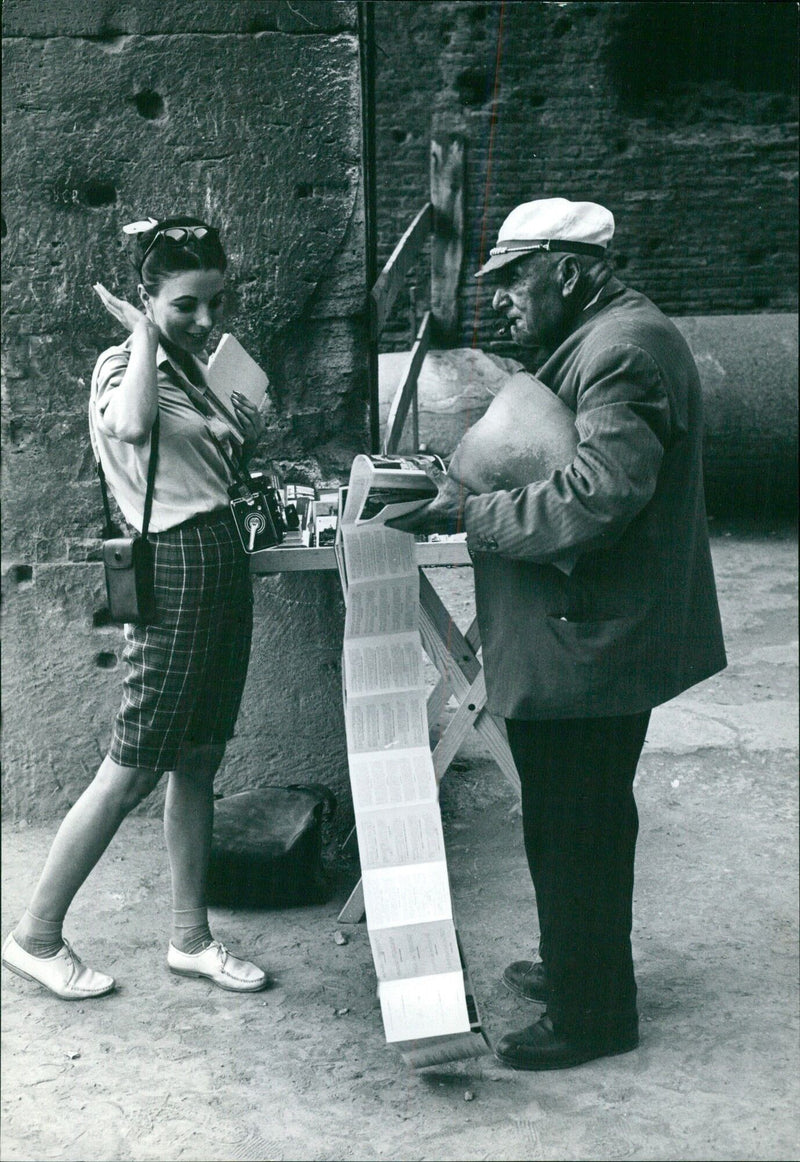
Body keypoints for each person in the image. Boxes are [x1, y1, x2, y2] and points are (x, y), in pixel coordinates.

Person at [390, 198, 726, 1070]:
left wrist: (471, 514)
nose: (500, 298)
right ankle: (580, 965)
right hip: (586, 630)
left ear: (566, 271)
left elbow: (595, 500)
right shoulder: (609, 335)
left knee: (575, 822)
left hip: (596, 636)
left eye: (513, 278)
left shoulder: (625, 351)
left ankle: (595, 1015)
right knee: (571, 815)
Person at [2, 216, 270, 999]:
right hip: (175, 562)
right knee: (132, 765)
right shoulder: (124, 364)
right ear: (146, 299)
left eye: (214, 303)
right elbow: (129, 426)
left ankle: (191, 939)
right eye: (186, 304)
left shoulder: (189, 366)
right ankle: (35, 935)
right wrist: (146, 339)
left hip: (219, 553)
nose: (205, 320)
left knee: (199, 758)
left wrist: (241, 429)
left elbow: (197, 459)